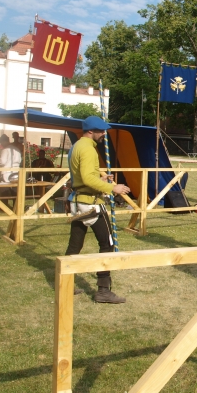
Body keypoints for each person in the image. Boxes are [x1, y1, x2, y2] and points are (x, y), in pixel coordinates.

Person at [65, 116, 131, 303]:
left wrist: (100, 180)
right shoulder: (87, 149)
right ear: (90, 131)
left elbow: (82, 177)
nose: (104, 134)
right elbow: (86, 178)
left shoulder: (77, 146)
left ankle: (65, 283)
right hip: (90, 203)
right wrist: (112, 188)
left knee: (75, 245)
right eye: (101, 131)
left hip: (78, 200)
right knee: (107, 243)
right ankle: (103, 290)